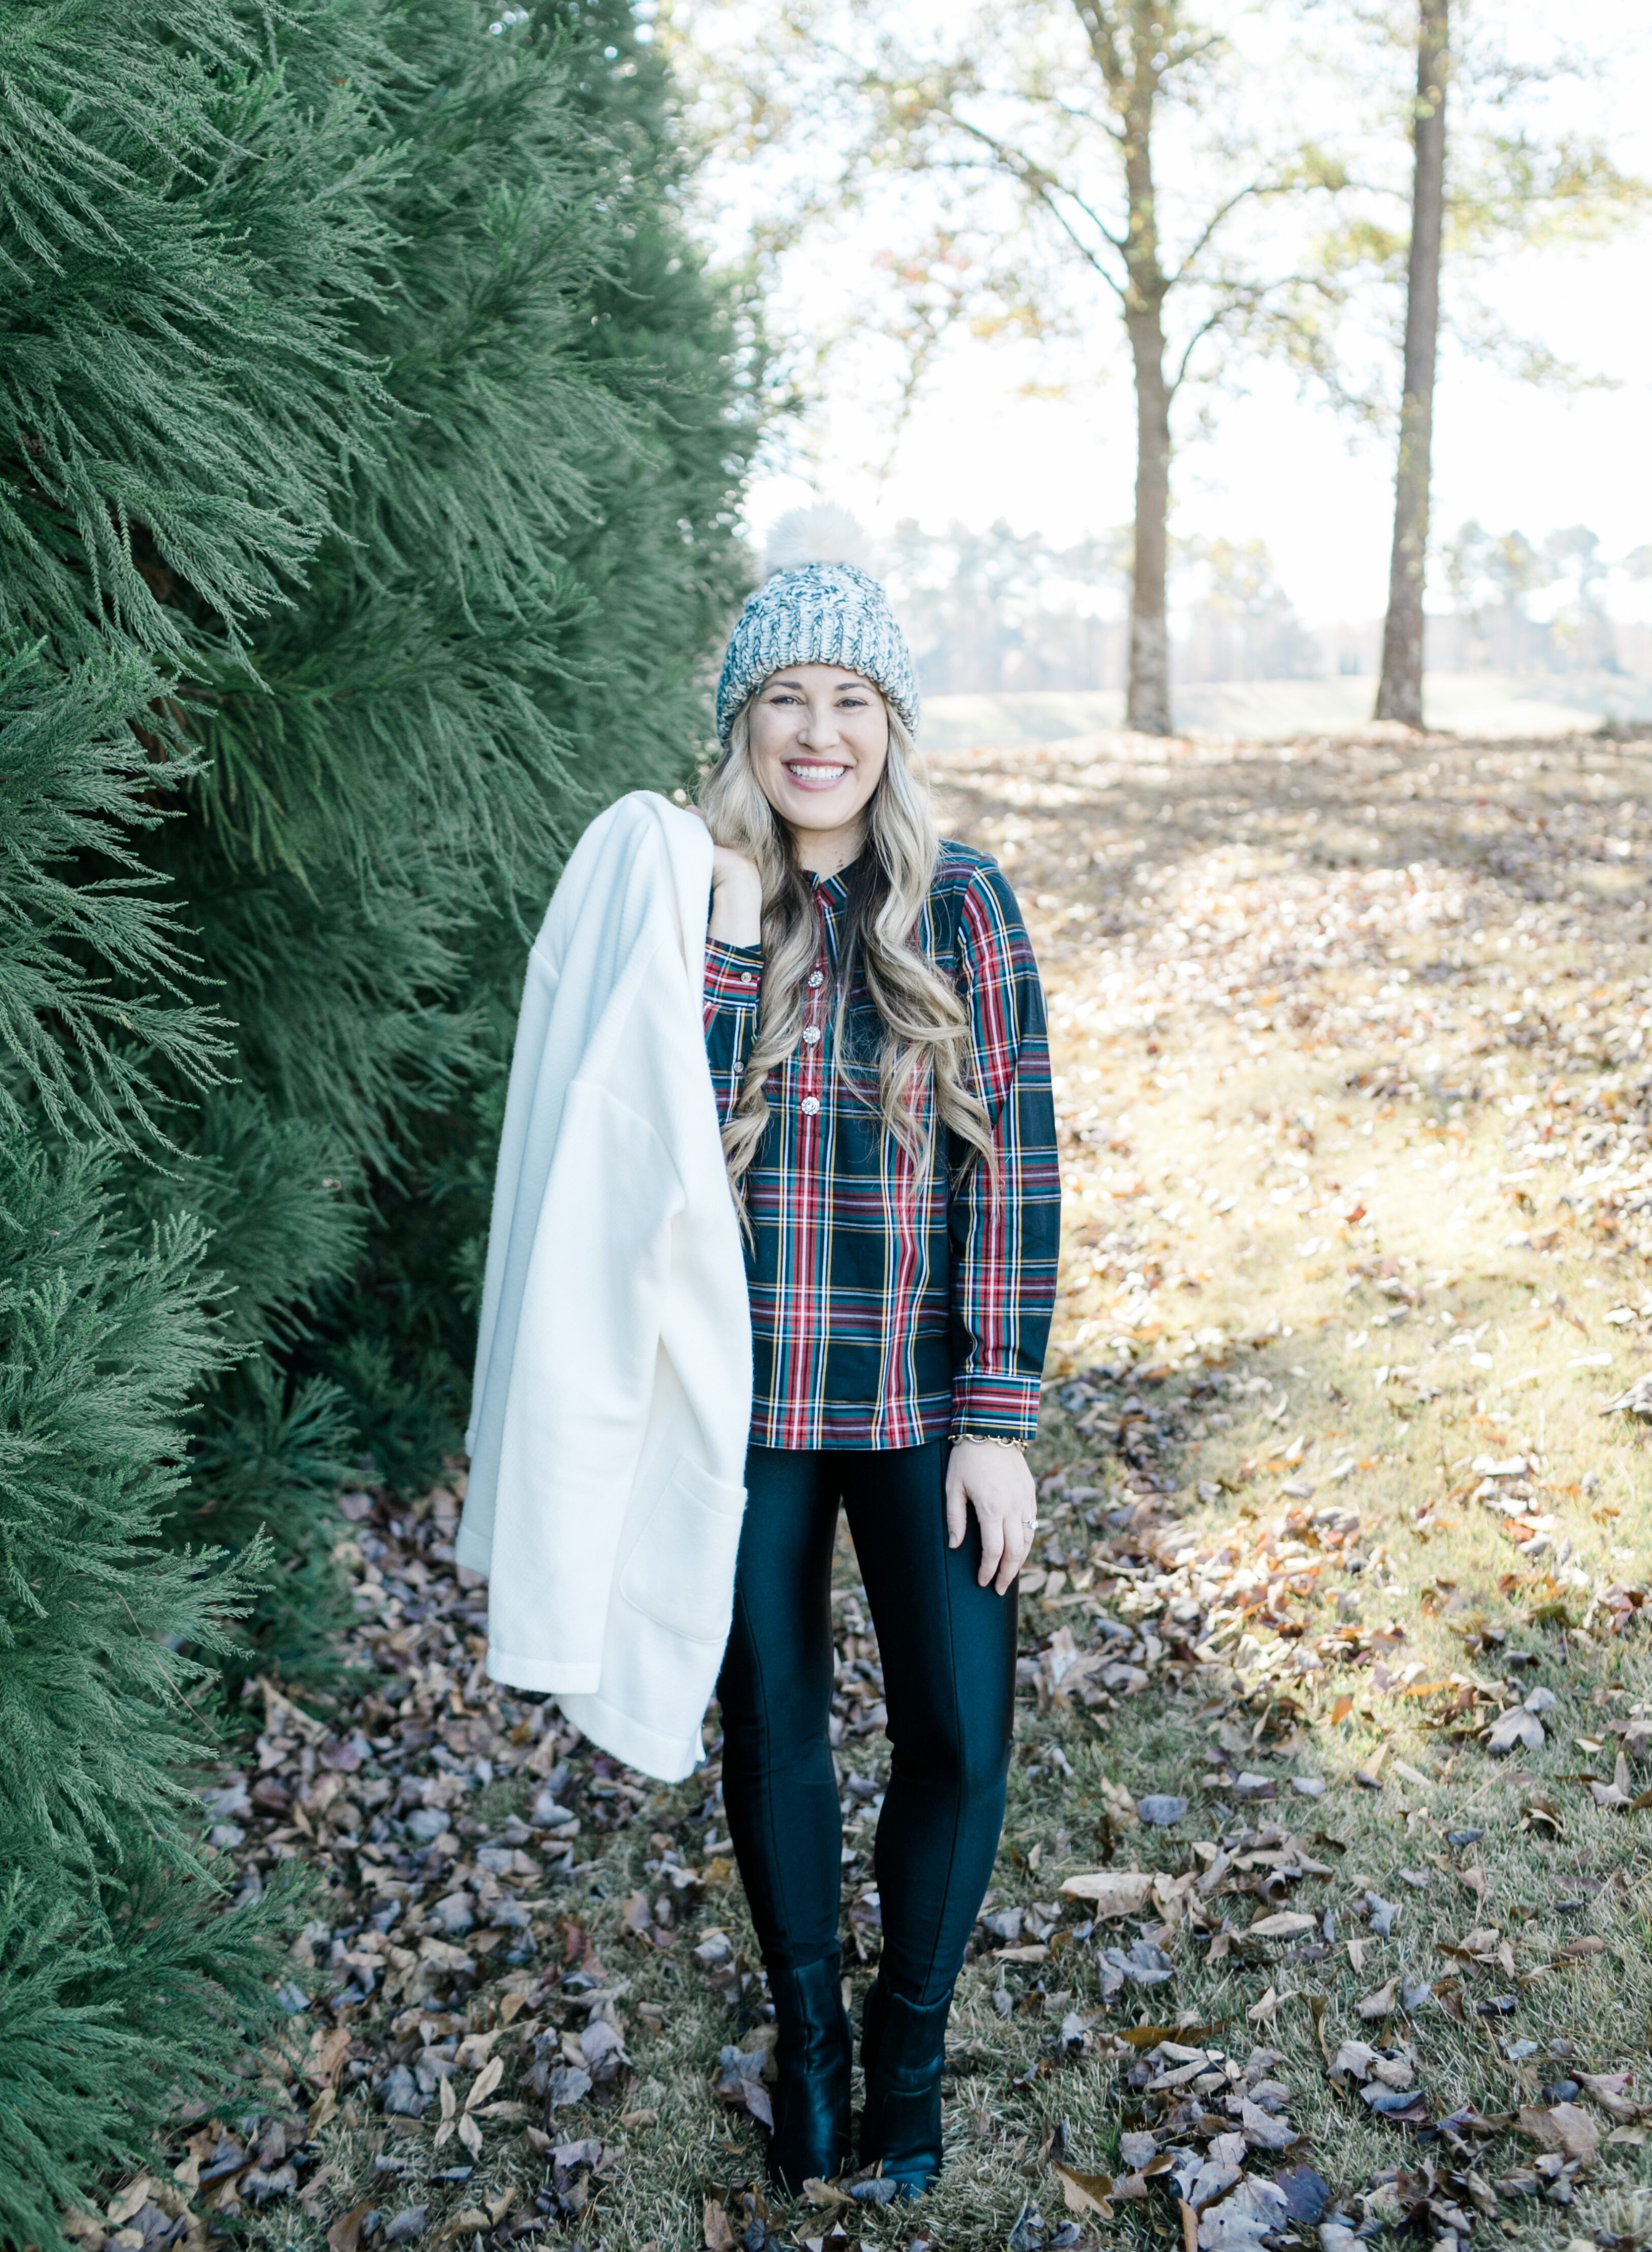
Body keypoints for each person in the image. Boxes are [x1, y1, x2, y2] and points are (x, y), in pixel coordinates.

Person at [696, 545, 1060, 2197]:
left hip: (921, 1403)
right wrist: (717, 940)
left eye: (850, 700)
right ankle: (815, 2055)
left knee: (962, 1741)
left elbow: (1021, 1167)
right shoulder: (696, 903)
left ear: (892, 726)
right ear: (744, 726)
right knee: (772, 1729)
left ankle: (911, 2050)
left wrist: (999, 1414)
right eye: (786, 699)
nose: (819, 732)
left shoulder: (963, 904)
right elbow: (657, 1165)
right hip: (747, 1409)